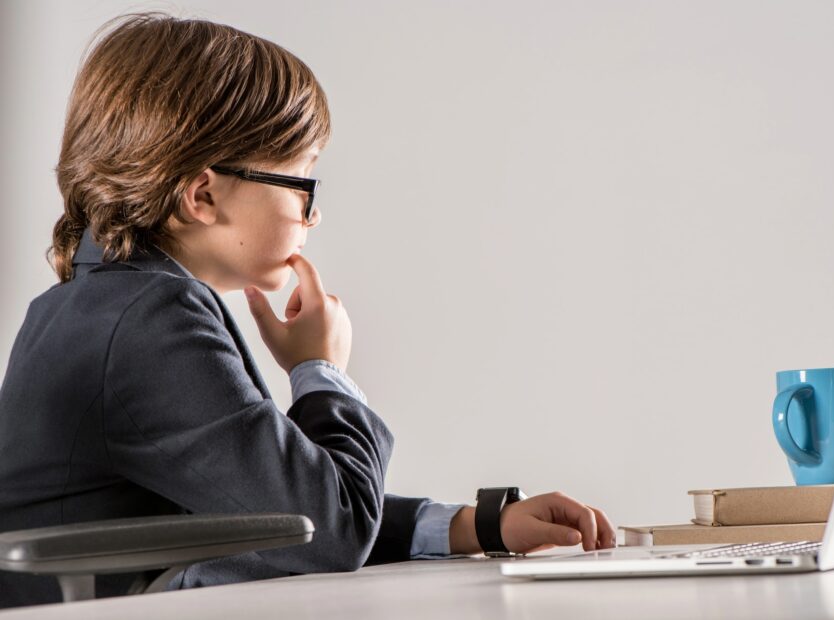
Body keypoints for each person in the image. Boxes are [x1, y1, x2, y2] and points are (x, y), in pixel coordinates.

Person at [0, 12, 615, 608]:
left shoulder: (96, 302)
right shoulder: (153, 313)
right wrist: (322, 371)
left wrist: (480, 526)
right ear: (204, 194)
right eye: (302, 183)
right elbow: (328, 528)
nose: (312, 214)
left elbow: (272, 504)